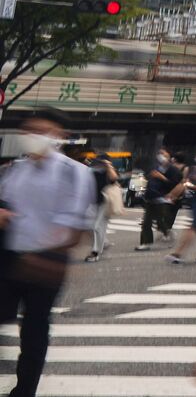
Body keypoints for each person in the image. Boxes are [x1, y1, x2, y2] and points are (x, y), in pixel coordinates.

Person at [0, 108, 94, 397]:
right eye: (29, 130)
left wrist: (46, 254)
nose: (33, 136)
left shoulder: (74, 172)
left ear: (59, 135)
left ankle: (24, 390)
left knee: (34, 330)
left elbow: (74, 223)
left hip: (46, 262)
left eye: (41, 130)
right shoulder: (16, 169)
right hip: (10, 258)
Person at [137, 145, 178, 250]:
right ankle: (145, 243)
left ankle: (167, 232)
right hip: (150, 196)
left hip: (162, 198)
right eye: (160, 153)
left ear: (169, 156)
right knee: (146, 222)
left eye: (164, 154)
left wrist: (162, 178)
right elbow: (148, 178)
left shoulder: (172, 169)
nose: (161, 156)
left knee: (160, 221)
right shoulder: (155, 166)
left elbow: (174, 184)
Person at [85, 151, 119, 262]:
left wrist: (108, 165)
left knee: (97, 226)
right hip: (93, 202)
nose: (99, 163)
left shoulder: (109, 171)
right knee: (90, 226)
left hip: (105, 202)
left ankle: (95, 252)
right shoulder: (93, 170)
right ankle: (103, 243)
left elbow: (114, 179)